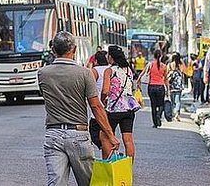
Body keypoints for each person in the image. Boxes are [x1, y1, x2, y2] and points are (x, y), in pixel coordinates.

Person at [38, 32, 119, 185]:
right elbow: (96, 106)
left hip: (53, 134)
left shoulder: (42, 74)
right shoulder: (84, 73)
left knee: (56, 183)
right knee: (89, 182)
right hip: (78, 134)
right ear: (74, 49)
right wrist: (110, 134)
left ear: (54, 50)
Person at [101, 45, 139, 159]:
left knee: (105, 136)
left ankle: (108, 165)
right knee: (128, 139)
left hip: (114, 109)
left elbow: (105, 90)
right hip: (129, 109)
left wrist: (103, 101)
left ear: (111, 57)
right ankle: (128, 168)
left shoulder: (109, 70)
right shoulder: (128, 70)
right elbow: (132, 88)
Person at [136, 49, 168, 128]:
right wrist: (168, 90)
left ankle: (155, 123)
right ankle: (158, 115)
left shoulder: (149, 65)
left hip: (151, 87)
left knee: (153, 106)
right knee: (161, 104)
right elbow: (166, 79)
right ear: (160, 56)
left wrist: (138, 84)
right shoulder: (164, 66)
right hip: (160, 87)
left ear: (154, 56)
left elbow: (140, 76)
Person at [88, 50, 109, 149]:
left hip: (98, 104)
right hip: (110, 106)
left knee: (94, 133)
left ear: (96, 61)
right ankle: (108, 149)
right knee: (107, 133)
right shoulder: (110, 69)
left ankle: (105, 148)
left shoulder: (95, 70)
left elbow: (89, 85)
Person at [167, 52, 186, 122]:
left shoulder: (169, 65)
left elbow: (166, 74)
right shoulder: (180, 65)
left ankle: (172, 114)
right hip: (178, 85)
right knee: (178, 101)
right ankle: (177, 114)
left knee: (172, 101)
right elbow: (185, 71)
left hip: (171, 85)